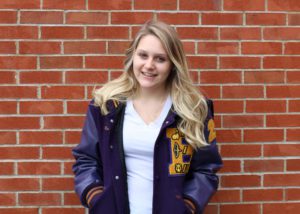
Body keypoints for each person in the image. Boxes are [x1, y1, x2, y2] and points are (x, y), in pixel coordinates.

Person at [72, 20, 223, 214]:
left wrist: (188, 206)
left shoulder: (193, 109)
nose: (149, 65)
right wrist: (97, 199)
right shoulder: (106, 105)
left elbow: (206, 168)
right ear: (133, 56)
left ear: (172, 64)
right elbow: (86, 159)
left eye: (160, 59)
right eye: (143, 55)